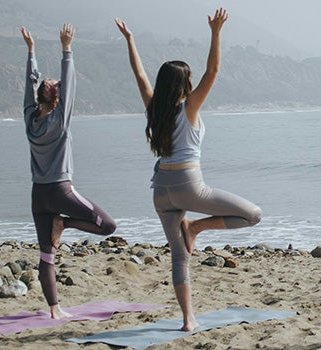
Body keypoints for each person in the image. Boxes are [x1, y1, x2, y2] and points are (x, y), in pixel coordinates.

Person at [115, 9, 262, 332]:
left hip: (160, 192)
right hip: (188, 186)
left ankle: (188, 319)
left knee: (179, 257)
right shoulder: (190, 107)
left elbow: (139, 76)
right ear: (185, 83)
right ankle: (196, 227)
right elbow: (214, 70)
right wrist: (216, 32)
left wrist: (130, 40)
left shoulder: (154, 108)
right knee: (253, 215)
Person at [21, 24, 117, 319]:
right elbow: (70, 82)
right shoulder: (60, 121)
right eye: (55, 87)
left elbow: (29, 83)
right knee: (107, 226)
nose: (57, 86)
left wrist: (32, 52)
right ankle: (65, 225)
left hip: (39, 195)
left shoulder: (29, 118)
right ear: (56, 100)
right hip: (61, 191)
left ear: (39, 98)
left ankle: (54, 309)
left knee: (46, 255)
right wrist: (66, 49)